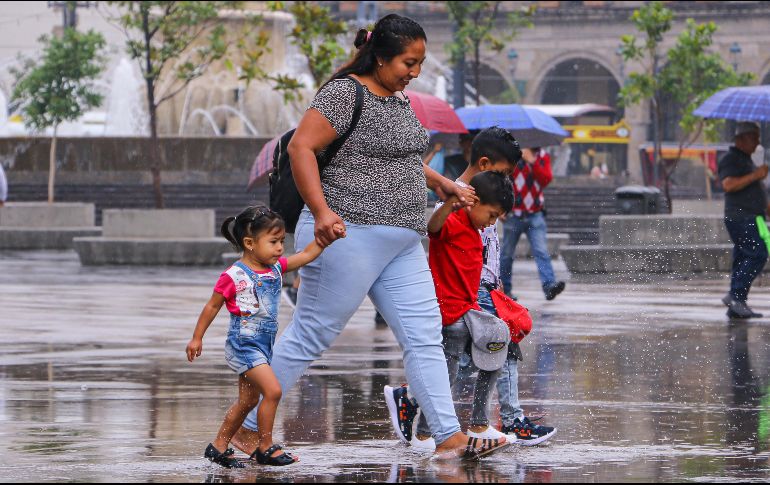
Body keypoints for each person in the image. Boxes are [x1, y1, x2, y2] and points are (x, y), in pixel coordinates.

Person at [230, 14, 509, 460]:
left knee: (423, 337)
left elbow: (395, 157)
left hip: (402, 241)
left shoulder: (398, 101)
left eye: (420, 63)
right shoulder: (345, 93)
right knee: (312, 333)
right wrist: (321, 212)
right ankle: (243, 426)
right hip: (347, 233)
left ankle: (448, 436)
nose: (415, 72)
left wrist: (440, 182)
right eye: (407, 62)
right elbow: (301, 148)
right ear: (380, 58)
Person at [385, 127, 556, 449]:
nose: (505, 181)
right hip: (463, 296)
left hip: (481, 290)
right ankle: (496, 420)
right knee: (479, 353)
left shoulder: (483, 203)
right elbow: (433, 227)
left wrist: (498, 286)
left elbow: (487, 249)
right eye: (503, 173)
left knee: (483, 353)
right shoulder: (458, 201)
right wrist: (451, 203)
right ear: (485, 163)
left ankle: (422, 403)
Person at [186, 205, 332, 468]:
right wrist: (197, 338)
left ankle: (218, 446)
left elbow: (307, 255)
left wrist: (324, 240)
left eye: (281, 242)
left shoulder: (276, 268)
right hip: (243, 345)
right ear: (250, 243)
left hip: (263, 345)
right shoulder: (234, 275)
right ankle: (265, 446)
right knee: (273, 391)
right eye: (273, 242)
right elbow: (212, 306)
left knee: (249, 400)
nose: (279, 249)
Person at [409, 170, 514, 452]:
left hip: (469, 309)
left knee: (499, 342)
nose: (491, 222)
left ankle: (479, 422)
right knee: (447, 374)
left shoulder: (476, 231)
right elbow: (432, 228)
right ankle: (423, 433)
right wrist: (448, 205)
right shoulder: (453, 220)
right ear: (473, 202)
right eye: (491, 215)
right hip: (448, 312)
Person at [499, 147, 566, 301]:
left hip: (535, 213)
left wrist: (533, 162)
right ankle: (505, 289)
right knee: (507, 255)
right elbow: (504, 179)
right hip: (513, 213)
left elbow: (546, 179)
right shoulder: (512, 154)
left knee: (541, 251)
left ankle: (549, 286)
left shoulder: (542, 156)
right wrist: (502, 206)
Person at [719, 121, 770, 319]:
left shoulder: (746, 160)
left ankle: (737, 304)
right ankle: (735, 296)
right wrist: (755, 175)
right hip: (741, 217)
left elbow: (756, 193)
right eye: (754, 137)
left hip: (752, 216)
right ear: (741, 139)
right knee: (758, 253)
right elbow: (728, 185)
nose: (758, 142)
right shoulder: (731, 159)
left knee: (742, 258)